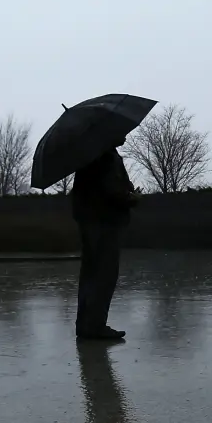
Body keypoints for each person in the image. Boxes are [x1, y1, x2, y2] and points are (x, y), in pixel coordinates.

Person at [72, 136, 139, 340]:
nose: (125, 135)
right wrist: (131, 198)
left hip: (91, 221)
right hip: (104, 222)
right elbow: (112, 190)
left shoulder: (90, 154)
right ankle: (94, 326)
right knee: (103, 274)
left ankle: (85, 325)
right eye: (122, 132)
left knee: (91, 274)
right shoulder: (104, 157)